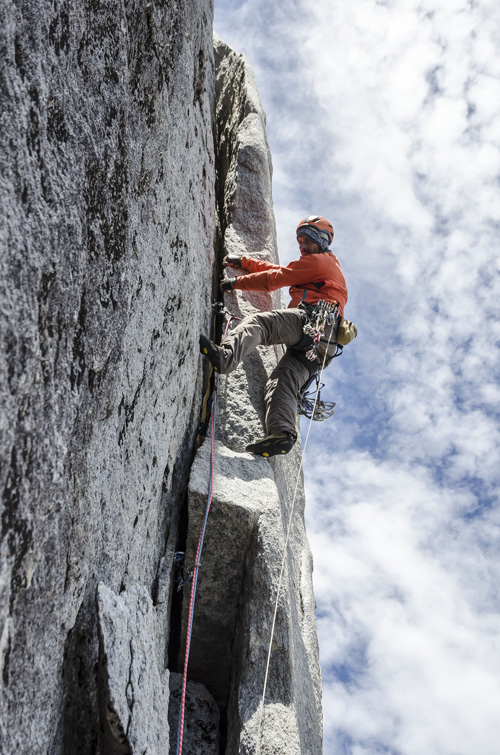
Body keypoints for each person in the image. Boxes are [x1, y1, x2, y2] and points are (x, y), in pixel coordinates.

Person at [200, 215, 348, 457]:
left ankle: (226, 357)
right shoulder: (321, 265)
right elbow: (281, 271)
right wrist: (245, 262)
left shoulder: (321, 262)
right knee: (281, 383)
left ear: (322, 240)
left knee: (260, 324)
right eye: (299, 240)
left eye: (307, 239)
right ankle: (282, 434)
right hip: (324, 347)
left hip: (314, 321)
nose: (302, 244)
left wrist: (235, 283)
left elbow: (275, 279)